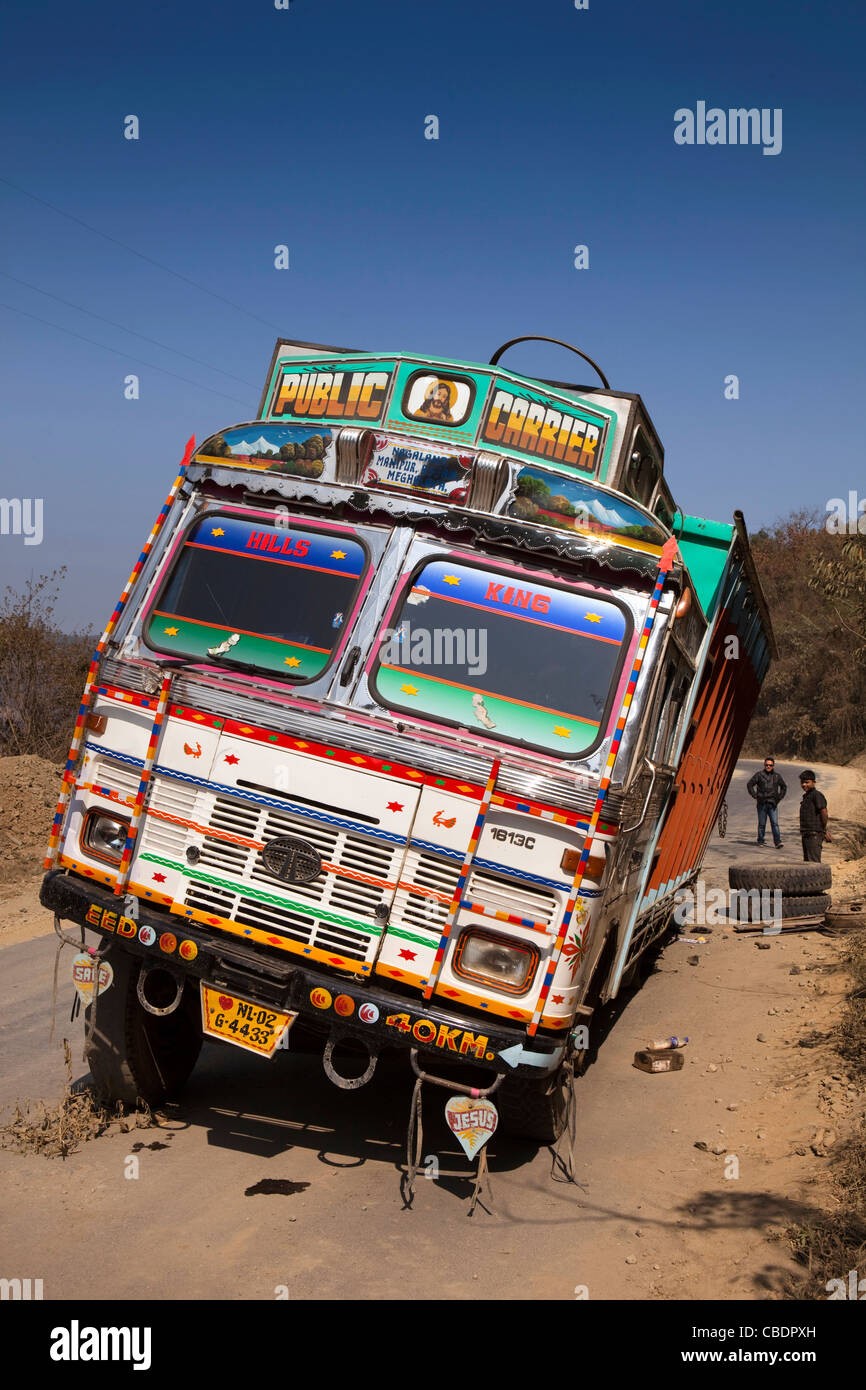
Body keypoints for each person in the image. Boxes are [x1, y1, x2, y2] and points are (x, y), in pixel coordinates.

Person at [746, 756, 787, 847]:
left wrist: (779, 797)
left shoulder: (777, 776)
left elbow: (784, 787)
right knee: (762, 824)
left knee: (775, 823)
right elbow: (749, 785)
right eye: (766, 765)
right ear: (764, 765)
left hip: (773, 803)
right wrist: (755, 795)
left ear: (773, 766)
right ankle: (760, 840)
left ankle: (777, 842)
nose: (768, 767)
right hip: (762, 803)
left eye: (770, 765)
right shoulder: (759, 775)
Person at [799, 770, 831, 862]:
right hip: (806, 834)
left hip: (814, 835)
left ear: (813, 783)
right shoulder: (807, 797)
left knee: (814, 864)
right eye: (802, 782)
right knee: (807, 864)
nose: (804, 785)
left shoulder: (817, 795)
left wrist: (823, 829)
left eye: (807, 782)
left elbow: (824, 812)